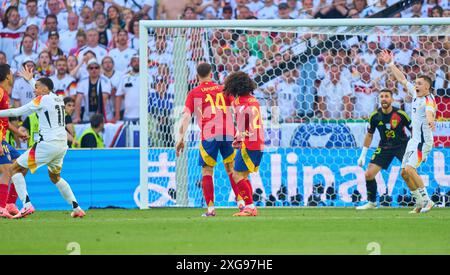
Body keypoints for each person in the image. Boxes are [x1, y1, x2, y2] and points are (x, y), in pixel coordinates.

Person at [0, 66, 85, 219]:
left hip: (47, 144)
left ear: (45, 89)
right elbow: (44, 89)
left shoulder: (41, 99)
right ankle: (77, 207)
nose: (34, 90)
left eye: (37, 87)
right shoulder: (58, 98)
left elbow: (16, 112)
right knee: (55, 177)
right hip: (61, 146)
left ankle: (26, 205)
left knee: (13, 169)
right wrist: (31, 80)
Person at [175, 63, 244, 217]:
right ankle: (241, 204)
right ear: (211, 74)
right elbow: (236, 107)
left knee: (207, 171)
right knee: (232, 169)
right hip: (228, 133)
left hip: (209, 134)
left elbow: (186, 116)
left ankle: (211, 210)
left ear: (197, 76)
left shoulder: (194, 93)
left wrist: (181, 138)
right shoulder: (223, 89)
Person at [380, 49, 436, 214]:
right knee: (404, 173)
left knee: (411, 169)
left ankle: (427, 200)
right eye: (416, 83)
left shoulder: (428, 100)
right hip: (414, 140)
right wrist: (390, 63)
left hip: (424, 141)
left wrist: (431, 120)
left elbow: (429, 111)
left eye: (419, 84)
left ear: (427, 87)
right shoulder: (416, 95)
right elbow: (403, 80)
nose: (416, 85)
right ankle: (419, 202)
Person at [356, 89, 411, 210]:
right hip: (384, 147)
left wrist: (418, 148)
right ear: (379, 99)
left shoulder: (401, 114)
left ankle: (422, 200)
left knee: (409, 172)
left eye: (387, 96)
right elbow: (369, 134)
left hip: (401, 146)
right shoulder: (375, 116)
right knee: (369, 174)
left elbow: (413, 131)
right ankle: (372, 203)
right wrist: (363, 155)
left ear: (392, 99)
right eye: (382, 96)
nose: (384, 99)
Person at [223, 71, 265, 217]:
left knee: (236, 175)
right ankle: (250, 206)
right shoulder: (254, 100)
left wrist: (238, 140)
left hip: (249, 143)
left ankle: (250, 207)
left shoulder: (238, 103)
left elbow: (241, 126)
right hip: (259, 141)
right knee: (243, 176)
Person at [0, 64, 27, 218]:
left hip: (3, 138)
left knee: (22, 165)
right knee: (6, 170)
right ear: (7, 76)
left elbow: (4, 121)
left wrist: (18, 132)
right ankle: (1, 206)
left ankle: (10, 204)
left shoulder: (4, 94)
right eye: (11, 73)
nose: (12, 76)